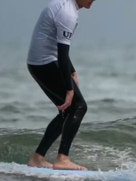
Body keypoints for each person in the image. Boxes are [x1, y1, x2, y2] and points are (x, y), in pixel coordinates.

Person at [26, 0, 95, 170]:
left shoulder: (66, 6)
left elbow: (59, 51)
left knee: (66, 111)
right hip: (44, 64)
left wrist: (71, 72)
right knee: (79, 106)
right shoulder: (67, 13)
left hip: (40, 64)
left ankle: (37, 158)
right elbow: (62, 54)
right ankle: (62, 159)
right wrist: (70, 89)